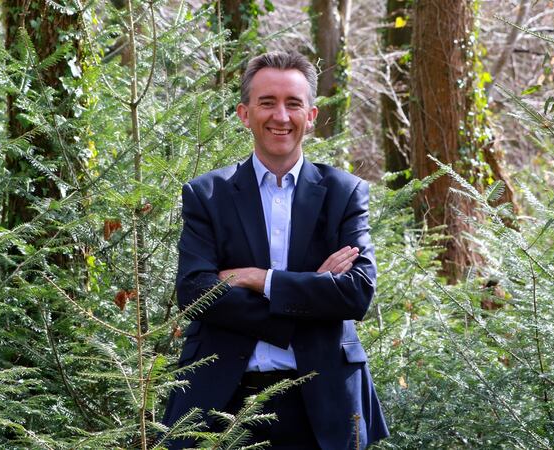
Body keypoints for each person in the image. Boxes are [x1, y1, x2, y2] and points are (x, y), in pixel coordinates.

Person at [162, 50, 389, 449]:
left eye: (293, 104)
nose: (280, 116)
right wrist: (309, 294)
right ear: (244, 114)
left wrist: (259, 280)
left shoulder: (345, 193)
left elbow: (356, 293)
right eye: (267, 102)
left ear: (312, 116)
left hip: (322, 404)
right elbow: (195, 293)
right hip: (221, 399)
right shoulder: (207, 194)